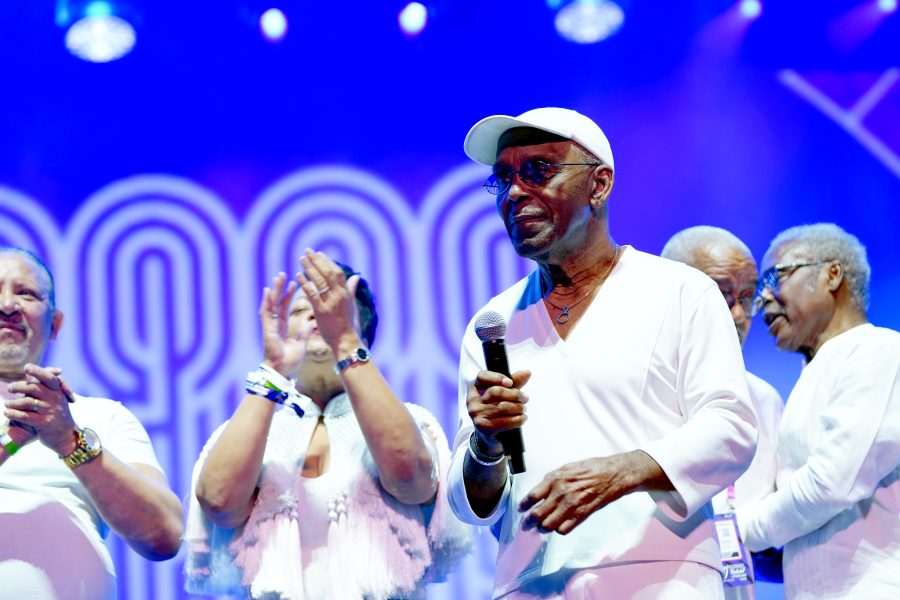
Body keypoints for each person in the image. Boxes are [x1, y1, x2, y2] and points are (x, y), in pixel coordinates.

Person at [447, 107, 758, 599]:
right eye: (503, 179)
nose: (514, 193)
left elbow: (732, 426)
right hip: (529, 582)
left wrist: (622, 471)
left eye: (538, 171)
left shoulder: (680, 291)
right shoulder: (493, 324)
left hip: (660, 573)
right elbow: (472, 504)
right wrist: (486, 445)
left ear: (599, 185)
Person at [185, 249, 470, 599]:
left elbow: (411, 480)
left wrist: (344, 341)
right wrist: (274, 368)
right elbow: (218, 502)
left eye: (329, 309)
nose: (316, 317)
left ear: (363, 331)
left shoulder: (412, 419)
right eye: (303, 311)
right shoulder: (253, 429)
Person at [0, 247, 183, 600]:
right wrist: (10, 442)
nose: (7, 306)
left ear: (55, 324)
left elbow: (165, 535)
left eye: (26, 293)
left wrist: (70, 441)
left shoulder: (103, 417)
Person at [739, 223, 900, 599]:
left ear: (832, 274)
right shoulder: (813, 374)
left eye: (775, 277)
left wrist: (737, 530)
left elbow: (831, 484)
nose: (762, 299)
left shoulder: (878, 351)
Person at [662, 226, 785, 599]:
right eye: (720, 294)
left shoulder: (763, 399)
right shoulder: (633, 389)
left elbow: (765, 543)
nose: (738, 314)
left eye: (747, 297)